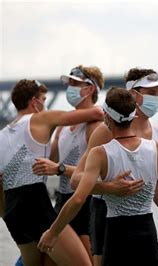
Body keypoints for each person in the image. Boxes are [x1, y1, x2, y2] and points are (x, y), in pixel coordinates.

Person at [38, 88, 158, 266]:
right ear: (134, 115)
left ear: (107, 118)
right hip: (147, 238)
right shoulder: (157, 149)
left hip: (116, 238)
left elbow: (78, 198)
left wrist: (53, 232)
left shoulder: (100, 154)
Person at [0, 79, 104, 266]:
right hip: (35, 204)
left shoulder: (2, 135)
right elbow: (97, 112)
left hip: (12, 211)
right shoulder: (40, 118)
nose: (45, 104)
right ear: (34, 102)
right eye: (44, 99)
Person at [31, 65, 104, 260]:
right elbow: (50, 161)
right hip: (62, 202)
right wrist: (41, 121)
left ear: (89, 89)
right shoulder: (64, 127)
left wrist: (59, 169)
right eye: (69, 83)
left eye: (74, 83)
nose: (69, 88)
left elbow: (93, 173)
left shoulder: (95, 126)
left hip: (85, 204)